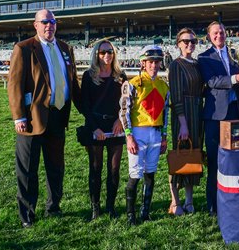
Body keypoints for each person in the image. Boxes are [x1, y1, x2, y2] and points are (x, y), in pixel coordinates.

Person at [7, 9, 81, 228]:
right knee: (28, 169)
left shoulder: (66, 49)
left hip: (58, 115)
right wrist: (18, 116)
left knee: (56, 167)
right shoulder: (24, 48)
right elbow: (15, 85)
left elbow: (72, 83)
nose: (49, 25)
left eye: (53, 22)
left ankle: (53, 207)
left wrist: (90, 110)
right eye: (45, 22)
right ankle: (27, 215)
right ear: (36, 25)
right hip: (32, 118)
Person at [198, 21, 239, 216]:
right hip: (215, 116)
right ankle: (213, 204)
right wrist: (235, 79)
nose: (219, 35)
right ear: (209, 36)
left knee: (235, 158)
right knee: (214, 161)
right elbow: (212, 81)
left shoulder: (235, 54)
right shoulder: (204, 57)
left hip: (235, 112)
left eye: (221, 32)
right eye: (215, 33)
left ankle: (233, 199)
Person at [119, 45, 169, 225]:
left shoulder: (164, 86)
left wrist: (164, 136)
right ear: (143, 63)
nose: (154, 65)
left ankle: (145, 212)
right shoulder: (132, 84)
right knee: (135, 174)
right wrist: (129, 136)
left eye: (157, 62)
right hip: (138, 133)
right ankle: (130, 215)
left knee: (150, 173)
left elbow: (165, 113)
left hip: (156, 133)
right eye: (150, 62)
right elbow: (124, 111)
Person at [81, 40, 126, 220]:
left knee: (114, 169)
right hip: (96, 126)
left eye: (110, 51)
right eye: (103, 52)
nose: (107, 55)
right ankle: (95, 207)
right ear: (96, 54)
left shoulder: (120, 75)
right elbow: (85, 105)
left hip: (115, 127)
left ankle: (111, 206)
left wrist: (120, 120)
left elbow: (126, 102)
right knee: (95, 167)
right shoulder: (88, 76)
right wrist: (95, 128)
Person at [168, 28, 204, 216]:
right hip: (183, 114)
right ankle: (175, 201)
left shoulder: (197, 64)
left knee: (193, 156)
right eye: (185, 41)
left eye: (193, 41)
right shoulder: (176, 65)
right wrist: (183, 123)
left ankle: (189, 201)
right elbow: (176, 96)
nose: (189, 44)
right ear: (178, 44)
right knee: (179, 156)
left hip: (197, 113)